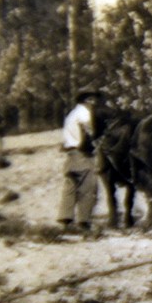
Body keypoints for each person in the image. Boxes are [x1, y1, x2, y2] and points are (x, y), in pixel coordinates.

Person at [58, 87, 104, 229]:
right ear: (87, 100)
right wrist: (94, 145)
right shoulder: (85, 113)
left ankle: (65, 221)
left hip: (70, 156)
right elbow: (87, 131)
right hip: (82, 155)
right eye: (92, 99)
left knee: (70, 189)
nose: (94, 102)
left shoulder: (71, 114)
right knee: (88, 189)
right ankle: (84, 222)